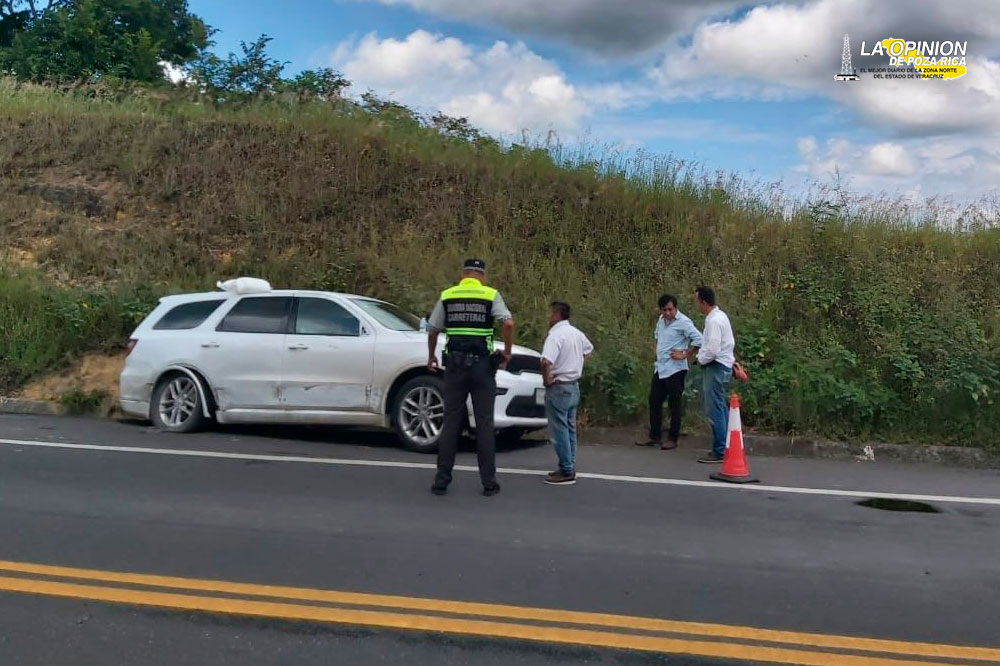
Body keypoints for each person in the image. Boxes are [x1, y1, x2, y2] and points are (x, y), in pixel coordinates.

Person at [427, 259, 514, 496]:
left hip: (454, 367)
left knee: (451, 421)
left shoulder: (448, 295)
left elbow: (433, 329)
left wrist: (431, 357)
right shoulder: (490, 294)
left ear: (463, 274)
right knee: (484, 423)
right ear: (482, 276)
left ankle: (441, 481)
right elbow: (507, 322)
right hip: (482, 367)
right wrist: (507, 352)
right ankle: (489, 483)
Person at [636, 294, 702, 451]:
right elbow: (657, 337)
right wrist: (657, 350)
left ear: (676, 308)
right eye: (664, 310)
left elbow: (699, 339)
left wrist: (685, 354)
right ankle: (655, 436)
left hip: (676, 369)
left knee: (675, 403)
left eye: (670, 309)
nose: (667, 313)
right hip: (661, 367)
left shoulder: (683, 322)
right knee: (654, 400)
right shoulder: (661, 320)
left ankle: (673, 438)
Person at [540, 302, 594, 485]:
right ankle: (569, 463)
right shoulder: (577, 334)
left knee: (559, 429)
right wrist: (575, 364)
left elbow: (546, 361)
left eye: (550, 313)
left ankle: (566, 468)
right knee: (570, 427)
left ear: (556, 314)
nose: (548, 317)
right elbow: (588, 350)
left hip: (559, 386)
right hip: (573, 385)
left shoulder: (555, 336)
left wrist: (547, 379)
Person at [694, 286, 735, 464]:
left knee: (715, 408)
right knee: (721, 406)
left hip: (715, 366)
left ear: (703, 301)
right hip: (723, 366)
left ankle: (719, 450)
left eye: (697, 301)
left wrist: (700, 359)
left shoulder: (713, 321)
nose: (697, 305)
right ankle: (725, 445)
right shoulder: (720, 316)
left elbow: (712, 349)